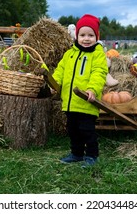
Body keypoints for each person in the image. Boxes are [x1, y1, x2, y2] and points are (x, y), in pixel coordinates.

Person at [52, 14, 108, 167]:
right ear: (76, 36)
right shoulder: (69, 54)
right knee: (73, 130)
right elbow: (60, 71)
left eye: (91, 35)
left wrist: (92, 89)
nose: (86, 38)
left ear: (97, 36)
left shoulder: (97, 55)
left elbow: (99, 73)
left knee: (87, 130)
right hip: (70, 103)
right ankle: (76, 153)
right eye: (82, 35)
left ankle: (92, 155)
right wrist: (54, 83)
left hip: (86, 102)